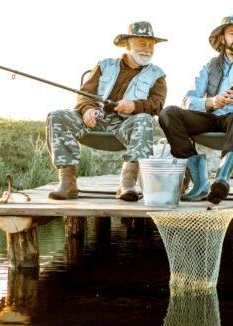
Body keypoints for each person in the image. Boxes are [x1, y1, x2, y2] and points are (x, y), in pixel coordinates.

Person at [158, 14, 233, 204]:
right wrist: (212, 102)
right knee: (168, 114)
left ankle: (222, 179)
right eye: (232, 33)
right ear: (223, 38)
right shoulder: (209, 65)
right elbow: (187, 99)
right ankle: (201, 182)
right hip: (213, 118)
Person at [46, 21, 168, 202]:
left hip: (127, 124)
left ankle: (127, 183)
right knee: (56, 116)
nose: (148, 49)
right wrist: (87, 109)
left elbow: (157, 104)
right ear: (128, 45)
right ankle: (67, 183)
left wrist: (135, 106)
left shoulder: (157, 74)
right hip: (95, 120)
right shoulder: (104, 65)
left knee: (144, 120)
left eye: (151, 45)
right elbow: (85, 93)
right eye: (142, 43)